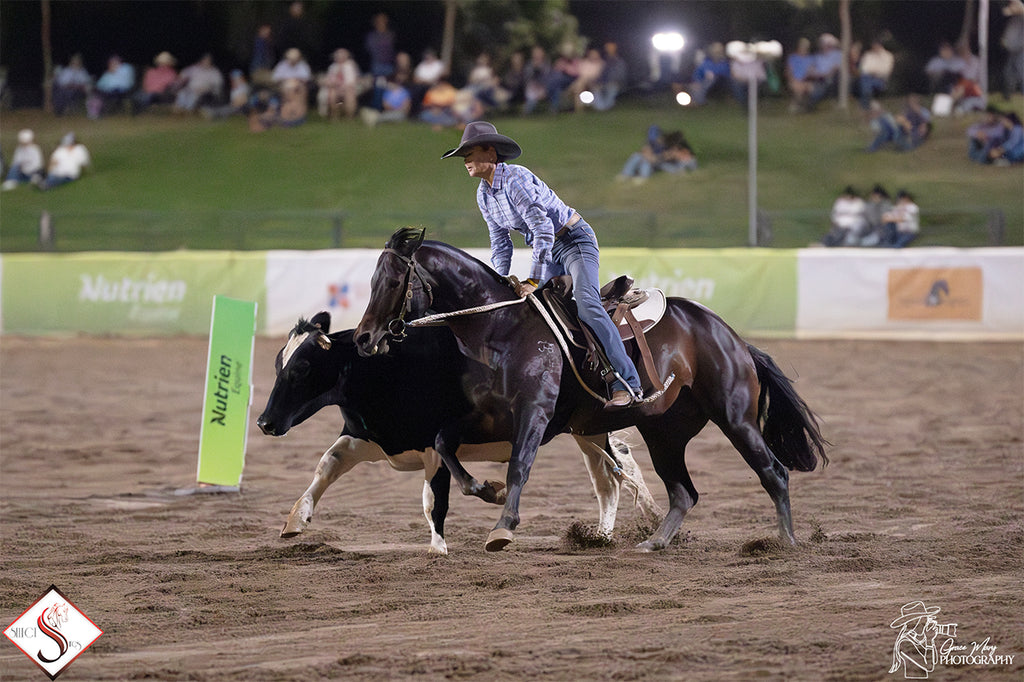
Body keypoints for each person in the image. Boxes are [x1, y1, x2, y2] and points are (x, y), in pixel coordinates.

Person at [442, 121, 643, 408]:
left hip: (574, 241)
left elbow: (544, 230)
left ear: (491, 152)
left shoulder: (516, 180)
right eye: (463, 157)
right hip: (550, 250)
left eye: (470, 154)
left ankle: (628, 383)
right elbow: (500, 243)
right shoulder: (483, 195)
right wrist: (497, 282)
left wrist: (534, 280)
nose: (466, 162)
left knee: (587, 305)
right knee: (536, 314)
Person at [317, 48, 361, 120]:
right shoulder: (332, 67)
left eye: (342, 56)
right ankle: (334, 114)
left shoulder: (350, 65)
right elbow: (330, 79)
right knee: (332, 94)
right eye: (338, 56)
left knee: (349, 94)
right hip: (335, 87)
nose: (339, 58)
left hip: (349, 87)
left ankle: (349, 116)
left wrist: (344, 87)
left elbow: (353, 80)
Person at [87, 54, 135, 119]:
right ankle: (94, 113)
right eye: (111, 62)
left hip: (123, 90)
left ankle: (97, 112)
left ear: (119, 62)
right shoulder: (107, 73)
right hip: (109, 92)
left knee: (104, 93)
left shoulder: (126, 68)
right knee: (96, 93)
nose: (112, 64)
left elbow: (127, 82)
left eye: (115, 62)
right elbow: (100, 84)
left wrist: (115, 71)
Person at [857, 39, 894, 110]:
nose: (874, 47)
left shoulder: (888, 56)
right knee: (865, 79)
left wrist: (874, 71)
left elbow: (886, 70)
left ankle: (865, 105)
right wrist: (873, 71)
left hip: (881, 79)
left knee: (865, 82)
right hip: (867, 77)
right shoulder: (868, 55)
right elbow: (863, 69)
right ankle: (867, 104)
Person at [592, 42, 627, 111]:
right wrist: (597, 82)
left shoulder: (619, 61)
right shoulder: (603, 60)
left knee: (611, 88)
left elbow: (621, 75)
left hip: (614, 83)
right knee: (595, 88)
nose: (609, 49)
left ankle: (606, 106)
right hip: (602, 82)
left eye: (610, 48)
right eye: (607, 48)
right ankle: (601, 107)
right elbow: (599, 73)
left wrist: (614, 82)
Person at [1001, 0, 1024, 99]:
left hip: (1021, 49)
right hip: (1012, 50)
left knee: (1021, 72)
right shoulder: (1013, 18)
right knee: (1008, 72)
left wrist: (1019, 9)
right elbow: (1004, 12)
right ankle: (1008, 96)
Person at [785, 37, 816, 113]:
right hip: (794, 80)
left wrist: (806, 78)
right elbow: (788, 71)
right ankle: (796, 106)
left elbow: (812, 71)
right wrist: (793, 80)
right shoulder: (792, 58)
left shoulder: (811, 58)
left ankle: (806, 106)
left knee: (811, 88)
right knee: (798, 88)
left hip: (805, 80)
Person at [522, 45, 551, 114]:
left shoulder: (546, 65)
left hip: (543, 87)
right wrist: (534, 69)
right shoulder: (529, 65)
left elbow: (548, 78)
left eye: (539, 53)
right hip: (532, 86)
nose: (537, 55)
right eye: (535, 53)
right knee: (531, 96)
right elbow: (527, 78)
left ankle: (552, 111)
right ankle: (526, 112)